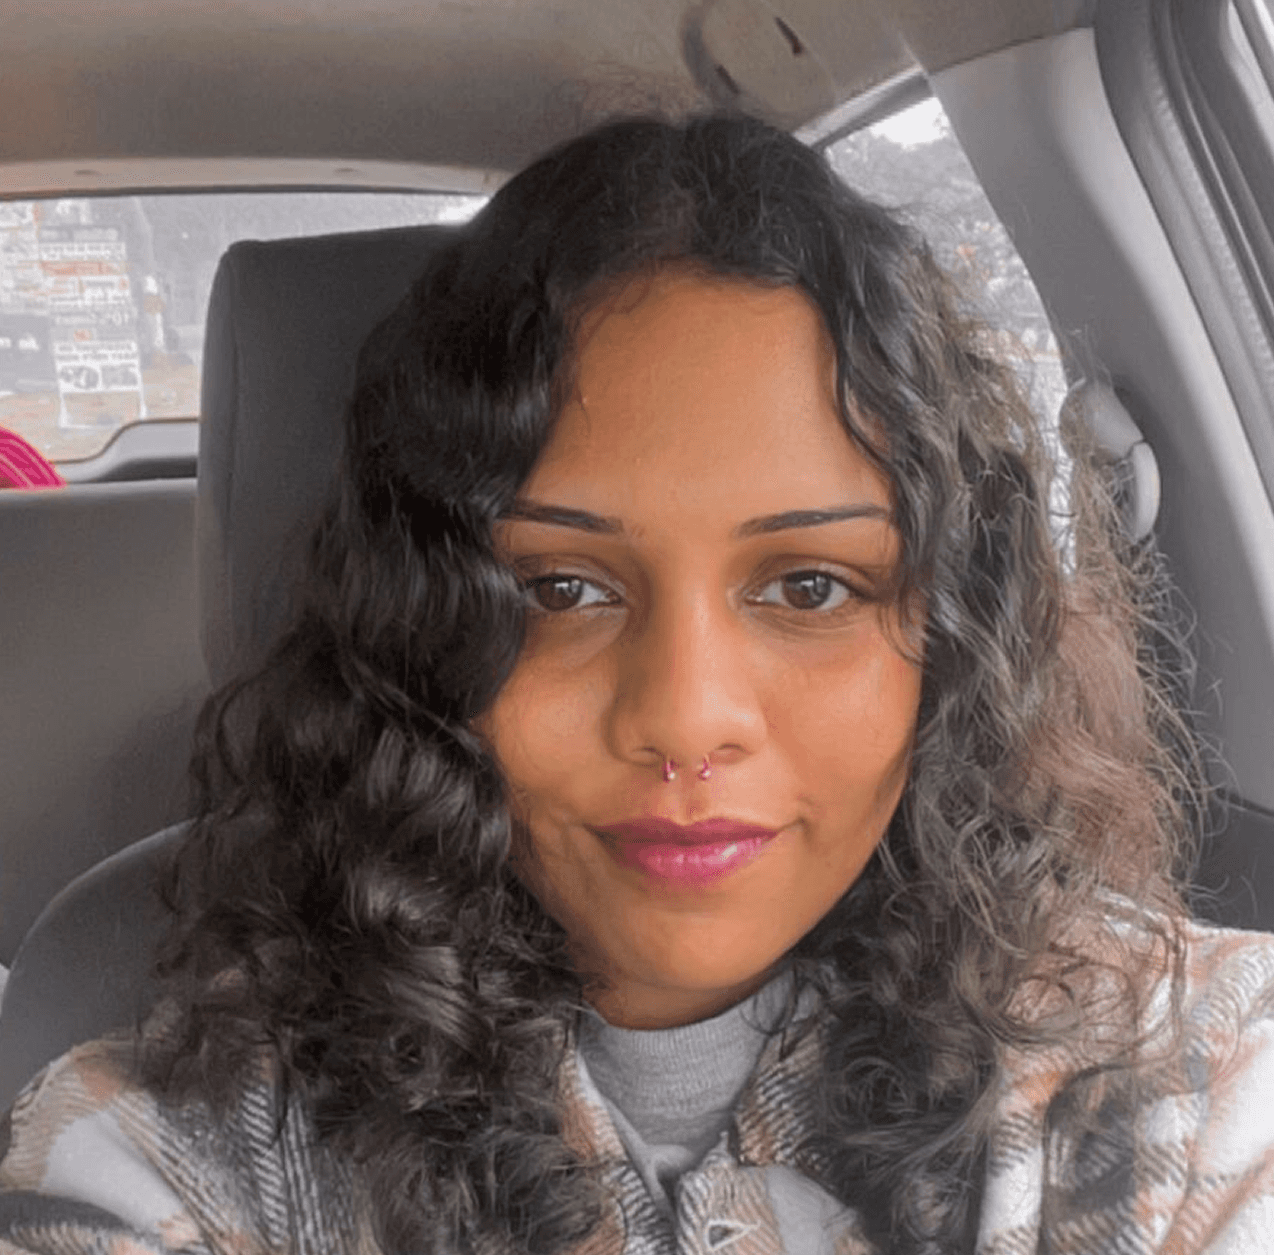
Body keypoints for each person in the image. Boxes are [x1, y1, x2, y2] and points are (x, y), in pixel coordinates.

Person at [1, 113, 1272, 1256]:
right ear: (420, 634)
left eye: (809, 586)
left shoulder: (1188, 1075)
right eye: (561, 589)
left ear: (949, 631)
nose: (684, 715)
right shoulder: (170, 1155)